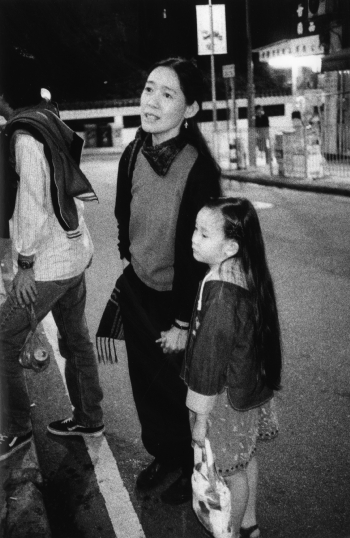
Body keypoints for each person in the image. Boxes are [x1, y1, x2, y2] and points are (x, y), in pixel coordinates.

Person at [114, 57, 221, 504]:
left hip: (178, 303)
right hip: (139, 290)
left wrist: (181, 322)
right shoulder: (133, 151)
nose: (152, 102)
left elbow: (199, 257)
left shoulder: (198, 168)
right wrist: (132, 257)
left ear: (191, 109)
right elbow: (124, 213)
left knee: (180, 390)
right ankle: (162, 453)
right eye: (148, 89)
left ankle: (187, 464)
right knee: (146, 384)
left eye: (167, 94)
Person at [0, 52, 104, 462]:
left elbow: (33, 206)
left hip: (49, 264)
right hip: (76, 250)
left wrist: (24, 265)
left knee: (3, 340)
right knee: (76, 339)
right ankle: (89, 416)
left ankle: (17, 430)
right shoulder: (48, 118)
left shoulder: (24, 137)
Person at [181, 197, 282, 538]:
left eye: (204, 234)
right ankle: (250, 523)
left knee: (229, 474)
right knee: (245, 459)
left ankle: (232, 531)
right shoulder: (244, 271)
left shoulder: (221, 294)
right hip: (246, 389)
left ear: (229, 247)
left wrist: (200, 417)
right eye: (195, 229)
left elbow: (209, 363)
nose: (194, 237)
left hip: (223, 401)